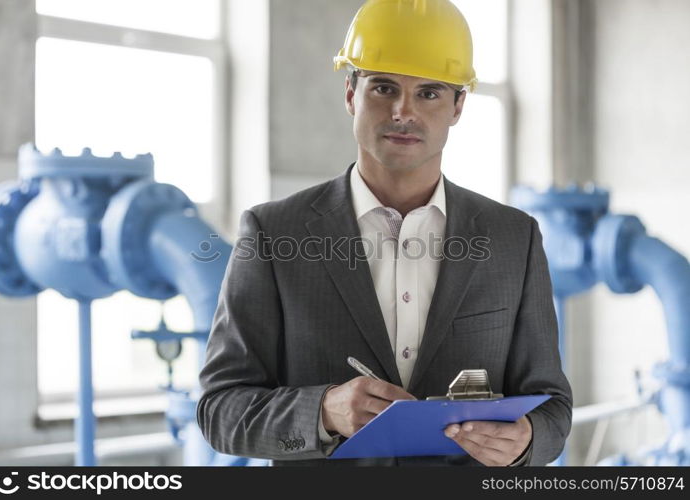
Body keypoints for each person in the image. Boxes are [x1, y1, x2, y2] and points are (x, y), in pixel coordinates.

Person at [197, 0, 572, 466]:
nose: (402, 111)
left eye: (430, 93)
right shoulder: (273, 233)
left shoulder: (514, 237)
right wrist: (323, 413)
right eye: (384, 87)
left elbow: (552, 403)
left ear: (458, 106)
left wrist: (528, 440)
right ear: (351, 94)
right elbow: (220, 411)